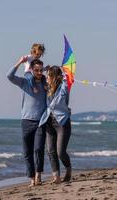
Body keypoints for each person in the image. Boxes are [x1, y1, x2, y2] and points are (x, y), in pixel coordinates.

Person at [7, 57, 47, 187]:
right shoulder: (25, 82)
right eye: (37, 70)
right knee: (27, 152)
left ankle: (38, 175)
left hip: (41, 121)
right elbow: (9, 76)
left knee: (38, 149)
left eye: (41, 70)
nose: (40, 72)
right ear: (31, 70)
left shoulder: (46, 84)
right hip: (26, 122)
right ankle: (31, 178)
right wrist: (19, 62)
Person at [39, 65, 72, 184]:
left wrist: (63, 77)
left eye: (49, 76)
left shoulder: (63, 87)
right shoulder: (46, 87)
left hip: (62, 122)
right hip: (49, 121)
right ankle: (56, 177)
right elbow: (36, 75)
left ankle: (68, 169)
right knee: (51, 150)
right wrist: (44, 70)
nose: (47, 77)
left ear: (54, 77)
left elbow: (65, 88)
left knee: (60, 152)